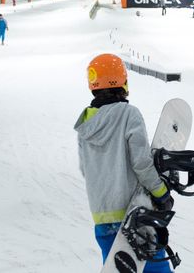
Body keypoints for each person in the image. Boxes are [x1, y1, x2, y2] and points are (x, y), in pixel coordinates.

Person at [74, 54, 174, 271]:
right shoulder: (129, 114)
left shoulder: (85, 125)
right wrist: (161, 193)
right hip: (134, 217)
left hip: (102, 218)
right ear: (123, 81)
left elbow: (85, 169)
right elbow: (141, 163)